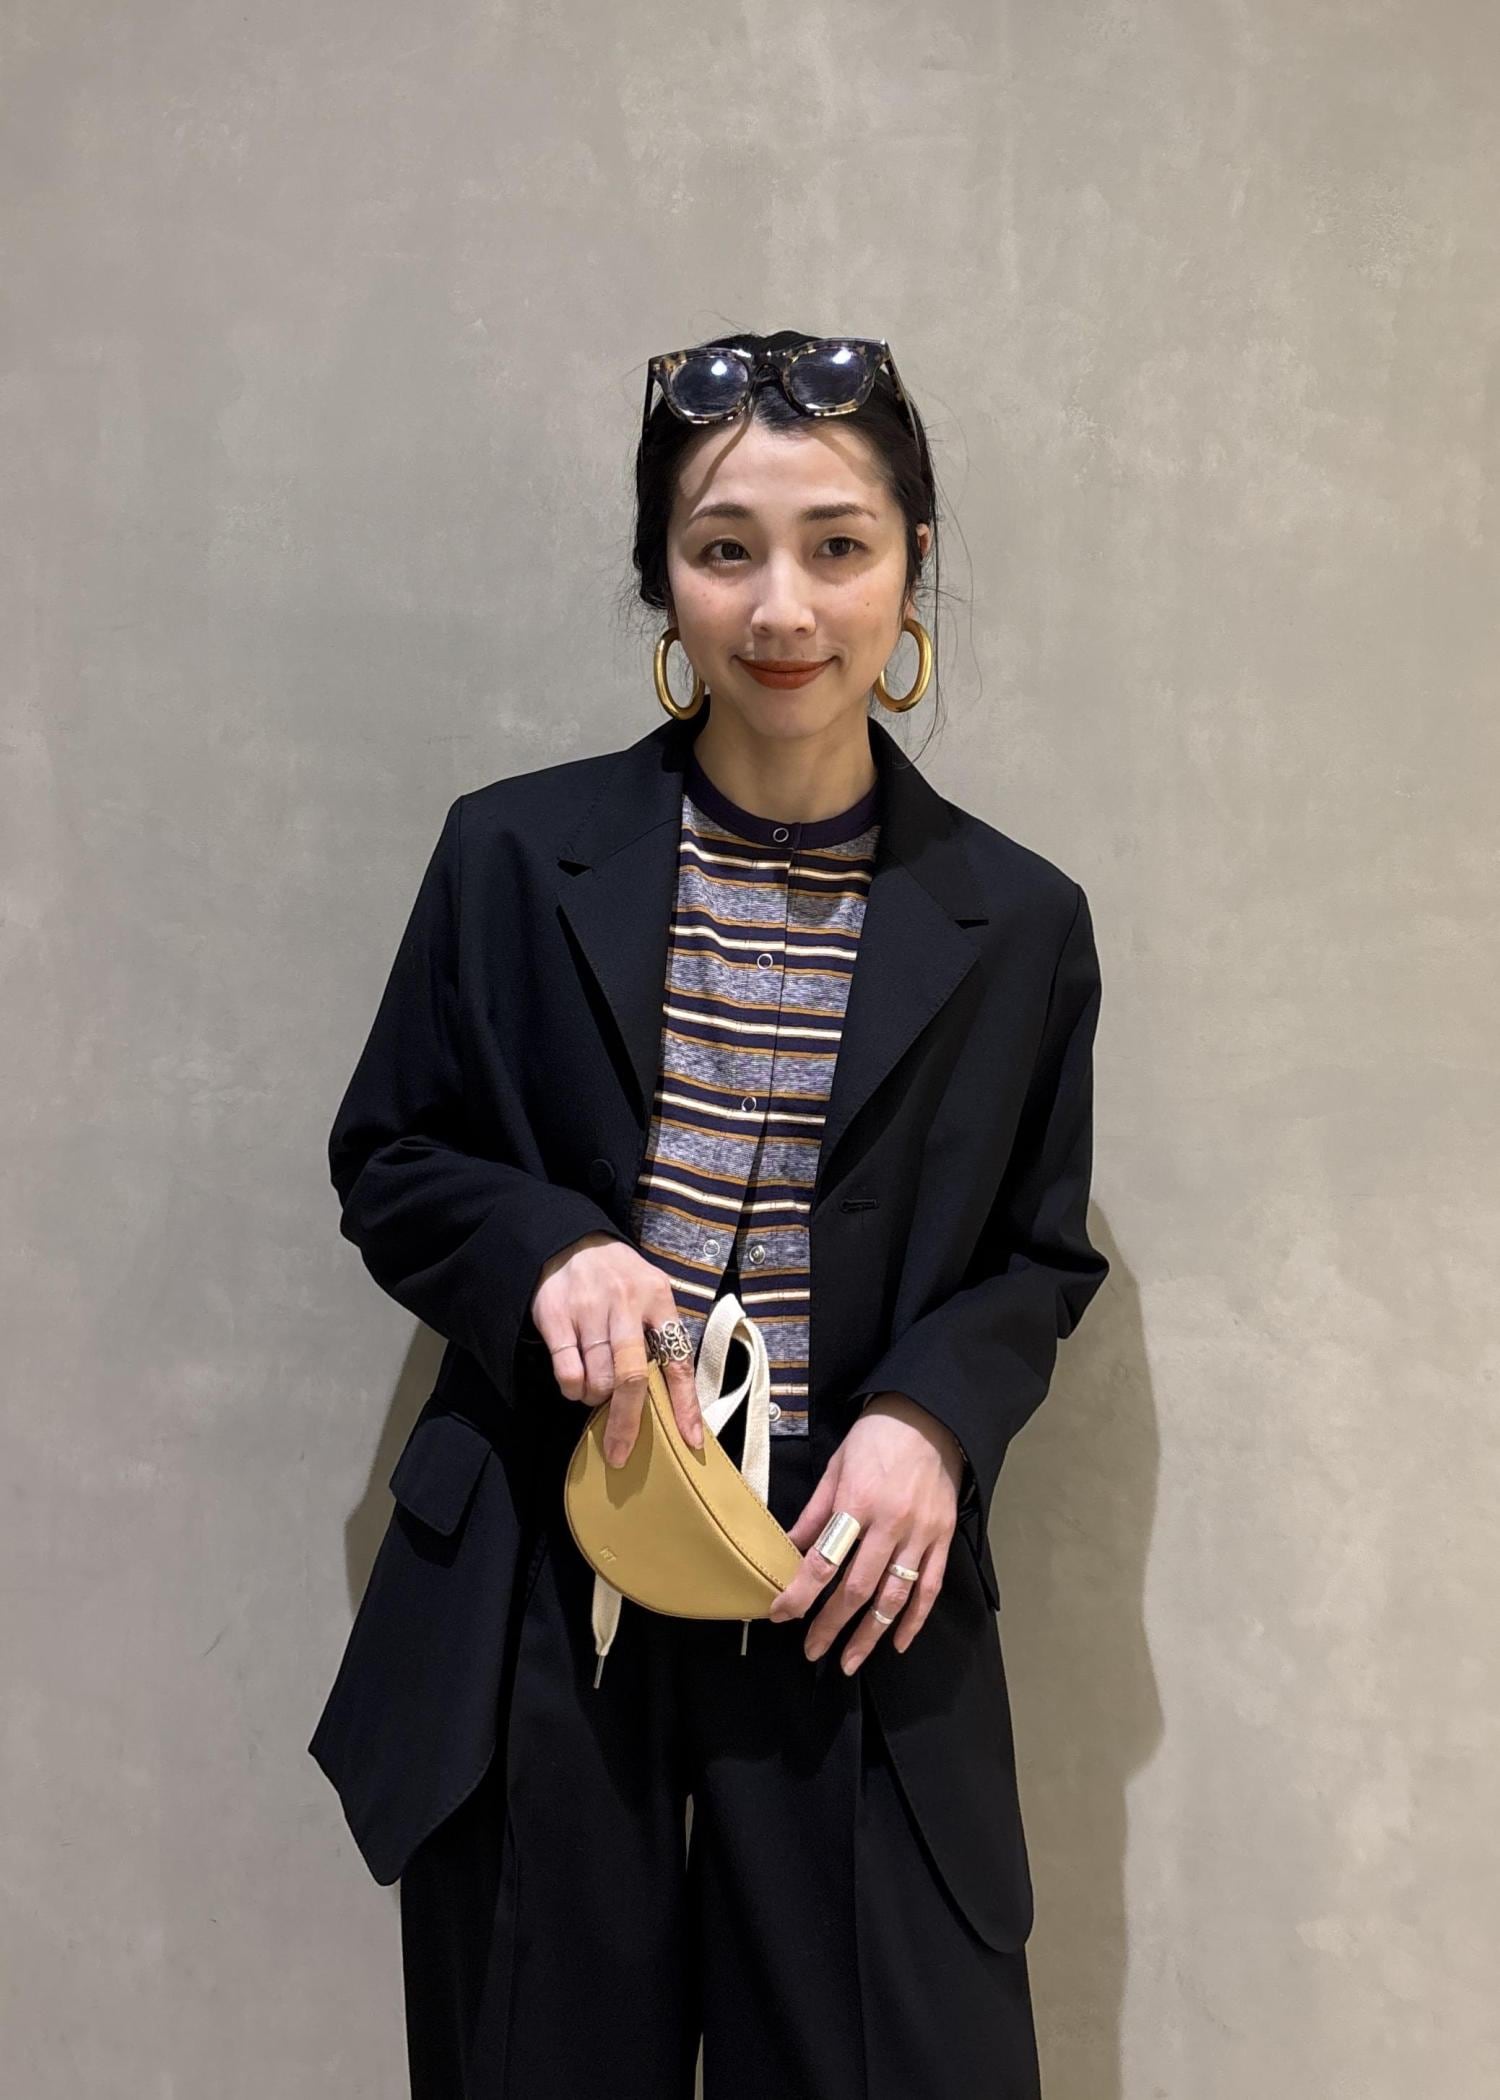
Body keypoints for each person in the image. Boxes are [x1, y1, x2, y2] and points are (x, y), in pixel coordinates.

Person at [308, 329, 1110, 2098]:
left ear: (911, 567)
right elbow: (395, 1157)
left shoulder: (1021, 923)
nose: (782, 606)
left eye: (839, 544)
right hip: (549, 1562)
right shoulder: (511, 855)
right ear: (661, 577)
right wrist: (549, 1250)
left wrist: (931, 1417)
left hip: (843, 1579)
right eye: (724, 547)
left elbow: (1039, 1257)